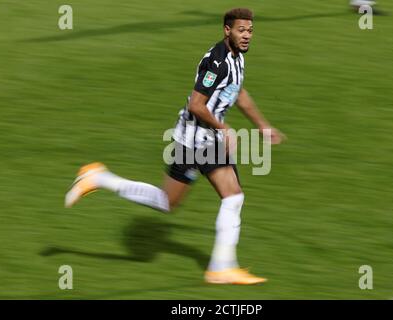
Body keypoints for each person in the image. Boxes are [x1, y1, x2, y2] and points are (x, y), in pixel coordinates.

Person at [65, 8, 285, 285]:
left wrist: (262, 125)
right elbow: (197, 105)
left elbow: (238, 92)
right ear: (227, 30)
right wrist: (224, 128)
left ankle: (98, 177)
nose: (247, 36)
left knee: (167, 203)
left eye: (250, 31)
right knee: (233, 197)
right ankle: (221, 267)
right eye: (241, 30)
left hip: (200, 138)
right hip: (197, 139)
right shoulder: (216, 62)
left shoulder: (237, 60)